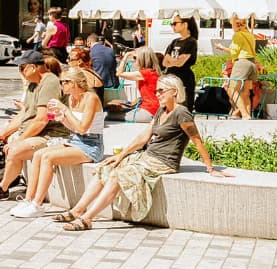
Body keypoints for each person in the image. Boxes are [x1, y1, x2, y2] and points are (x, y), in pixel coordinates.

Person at [54, 74, 225, 231]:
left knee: (117, 176)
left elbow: (196, 139)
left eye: (161, 90)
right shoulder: (161, 110)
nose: (157, 94)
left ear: (174, 91)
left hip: (164, 161)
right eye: (156, 90)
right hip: (147, 156)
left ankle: (87, 218)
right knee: (105, 169)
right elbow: (144, 137)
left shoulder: (181, 113)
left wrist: (210, 169)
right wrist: (121, 156)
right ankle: (77, 210)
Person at [11, 67, 104, 218]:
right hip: (75, 140)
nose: (61, 86)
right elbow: (74, 128)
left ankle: (37, 204)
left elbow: (82, 128)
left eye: (64, 82)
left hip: (91, 145)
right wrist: (61, 118)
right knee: (39, 154)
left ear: (73, 83)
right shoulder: (72, 99)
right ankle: (28, 200)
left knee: (48, 158)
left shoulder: (90, 98)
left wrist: (65, 111)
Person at [0, 49, 67, 202]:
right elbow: (23, 115)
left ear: (33, 67)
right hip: (33, 132)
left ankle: (1, 189)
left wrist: (19, 139)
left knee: (15, 150)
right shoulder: (33, 84)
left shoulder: (49, 83)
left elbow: (41, 120)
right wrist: (3, 133)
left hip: (50, 135)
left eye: (22, 68)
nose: (20, 72)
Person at [214, 14, 259, 119]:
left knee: (232, 89)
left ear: (237, 24)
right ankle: (247, 115)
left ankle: (244, 114)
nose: (232, 27)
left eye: (232, 24)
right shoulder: (250, 35)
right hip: (252, 63)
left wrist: (222, 48)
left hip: (242, 63)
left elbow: (234, 52)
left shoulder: (237, 35)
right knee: (245, 92)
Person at [162, 14, 199, 110]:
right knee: (169, 107)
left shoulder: (191, 41)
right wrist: (175, 60)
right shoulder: (174, 41)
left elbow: (180, 63)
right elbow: (165, 62)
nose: (172, 26)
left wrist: (172, 60)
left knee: (183, 107)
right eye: (171, 24)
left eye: (175, 23)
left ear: (185, 24)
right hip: (171, 78)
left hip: (184, 79)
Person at [118, 46, 161, 122]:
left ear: (142, 59)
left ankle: (95, 131)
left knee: (107, 115)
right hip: (151, 109)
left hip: (149, 110)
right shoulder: (151, 72)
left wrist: (126, 56)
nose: (134, 61)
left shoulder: (146, 73)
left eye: (135, 58)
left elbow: (119, 73)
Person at [89, 34, 118, 101]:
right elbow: (115, 65)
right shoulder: (110, 50)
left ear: (89, 42)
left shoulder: (90, 52)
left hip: (98, 83)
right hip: (113, 82)